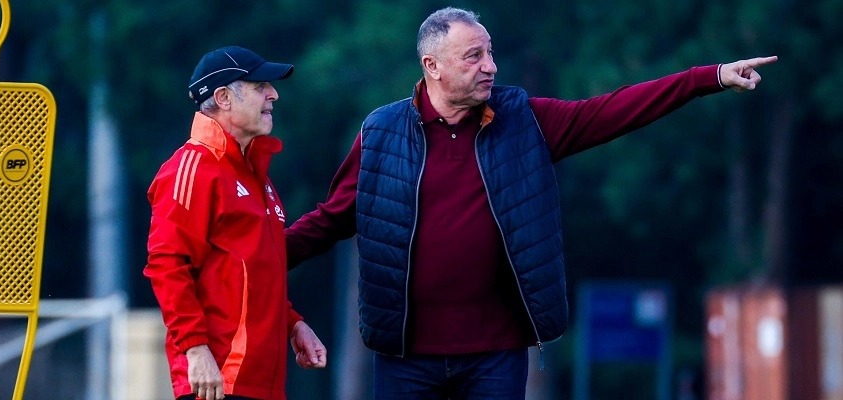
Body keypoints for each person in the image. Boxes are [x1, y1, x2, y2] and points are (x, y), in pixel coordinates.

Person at [285, 7, 777, 400]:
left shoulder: (524, 121)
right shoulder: (381, 132)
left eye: (490, 52)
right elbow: (331, 219)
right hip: (404, 356)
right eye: (474, 56)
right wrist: (259, 257)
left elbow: (612, 111)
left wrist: (708, 77)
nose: (490, 66)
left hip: (496, 353)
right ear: (432, 66)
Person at [144, 45, 327, 400]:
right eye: (260, 86)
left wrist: (294, 325)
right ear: (223, 98)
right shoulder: (191, 167)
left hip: (262, 383)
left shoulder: (255, 174)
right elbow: (167, 265)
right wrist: (196, 349)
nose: (273, 94)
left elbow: (251, 272)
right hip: (216, 380)